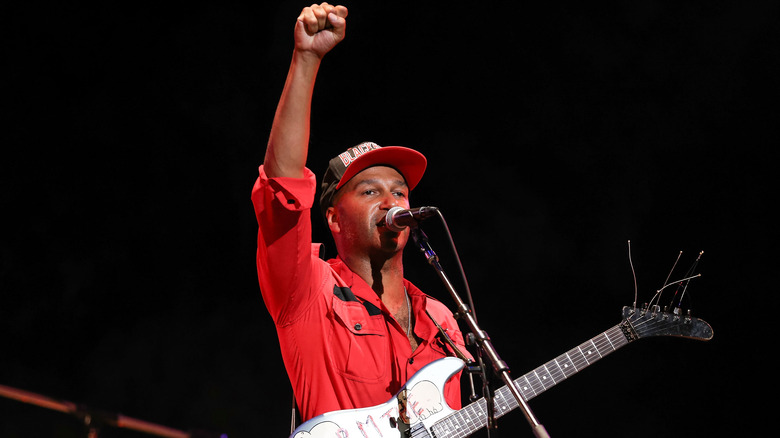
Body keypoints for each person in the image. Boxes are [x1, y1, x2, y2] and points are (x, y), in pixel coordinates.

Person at [252, 3, 469, 423]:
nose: (392, 203)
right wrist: (306, 58)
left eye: (400, 192)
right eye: (370, 191)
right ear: (333, 218)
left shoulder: (440, 319)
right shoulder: (309, 290)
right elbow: (282, 188)